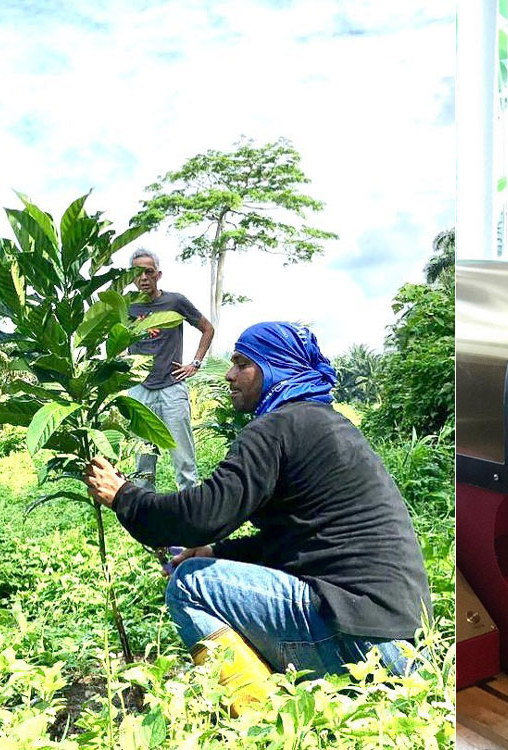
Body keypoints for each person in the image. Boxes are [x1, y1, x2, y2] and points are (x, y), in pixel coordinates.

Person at [85, 321, 431, 715]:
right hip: (409, 654)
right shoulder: (328, 425)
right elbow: (300, 543)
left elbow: (202, 514)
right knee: (206, 567)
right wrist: (216, 550)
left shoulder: (276, 427)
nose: (230, 375)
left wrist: (125, 496)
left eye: (243, 363)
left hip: (358, 644)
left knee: (189, 585)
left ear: (275, 368)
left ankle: (263, 721)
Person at [128, 249, 214, 491]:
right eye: (137, 273)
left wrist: (194, 363)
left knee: (183, 457)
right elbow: (116, 339)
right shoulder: (126, 307)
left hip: (172, 389)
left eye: (149, 272)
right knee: (143, 461)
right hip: (139, 391)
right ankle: (145, 514)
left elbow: (207, 328)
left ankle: (190, 509)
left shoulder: (175, 302)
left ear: (159, 274)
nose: (143, 278)